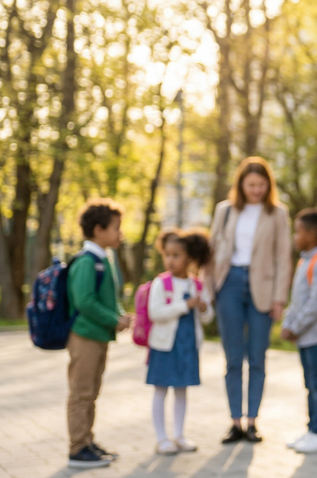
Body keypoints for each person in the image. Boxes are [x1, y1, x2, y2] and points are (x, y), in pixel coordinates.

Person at [208, 157, 292, 444]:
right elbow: (211, 251)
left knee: (257, 357)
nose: (256, 190)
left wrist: (280, 298)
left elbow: (283, 257)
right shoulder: (226, 211)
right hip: (228, 284)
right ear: (241, 185)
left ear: (268, 185)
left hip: (263, 290)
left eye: (261, 184)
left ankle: (253, 421)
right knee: (233, 359)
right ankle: (235, 422)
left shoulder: (278, 213)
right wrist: (209, 291)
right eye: (251, 184)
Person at [65, 198, 132, 469]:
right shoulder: (86, 261)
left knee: (91, 391)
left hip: (98, 336)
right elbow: (85, 301)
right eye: (116, 227)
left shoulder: (105, 258)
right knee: (81, 392)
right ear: (98, 229)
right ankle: (77, 448)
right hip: (84, 337)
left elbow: (108, 297)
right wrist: (113, 319)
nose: (120, 233)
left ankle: (87, 441)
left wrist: (120, 315)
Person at [146, 229, 215, 455]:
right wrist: (185, 306)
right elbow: (155, 312)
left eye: (176, 255)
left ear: (189, 258)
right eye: (167, 254)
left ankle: (179, 435)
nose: (170, 260)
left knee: (182, 391)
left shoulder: (196, 284)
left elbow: (206, 316)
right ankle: (161, 437)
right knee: (160, 390)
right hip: (165, 346)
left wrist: (203, 308)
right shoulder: (161, 283)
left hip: (187, 346)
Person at [279, 209, 317, 455]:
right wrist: (287, 323)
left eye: (298, 231)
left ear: (312, 235)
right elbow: (298, 300)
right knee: (309, 385)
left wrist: (296, 326)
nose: (294, 236)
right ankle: (312, 428)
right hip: (305, 338)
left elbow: (315, 305)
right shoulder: (304, 261)